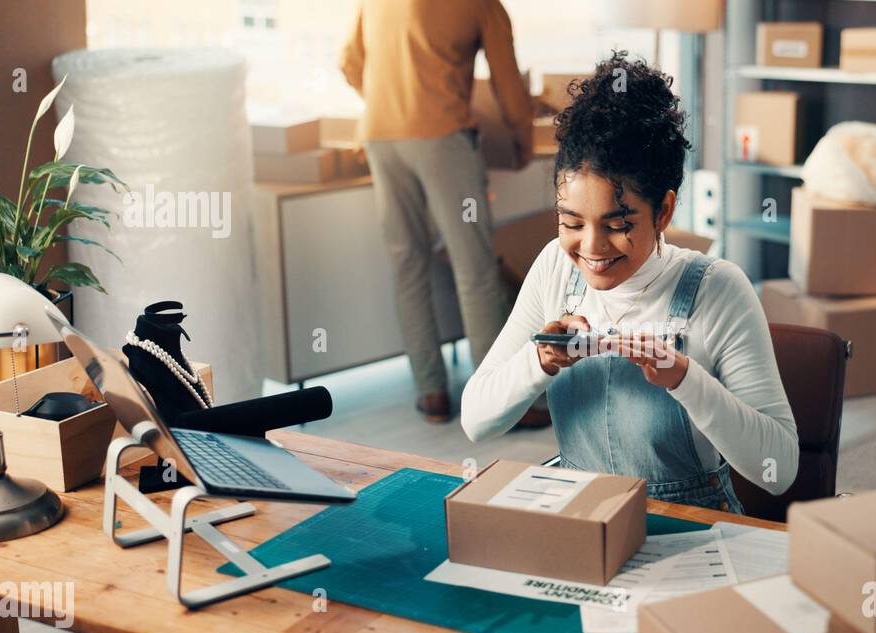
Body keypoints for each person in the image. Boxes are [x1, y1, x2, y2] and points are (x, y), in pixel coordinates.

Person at [461, 53, 798, 512]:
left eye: (617, 224)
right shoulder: (555, 268)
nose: (592, 248)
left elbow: (778, 469)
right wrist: (539, 360)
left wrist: (684, 379)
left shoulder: (717, 289)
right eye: (572, 222)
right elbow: (475, 421)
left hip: (690, 527)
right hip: (580, 513)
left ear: (664, 211)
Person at [341, 0, 536, 424]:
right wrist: (523, 135)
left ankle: (431, 393)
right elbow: (507, 81)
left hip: (380, 137)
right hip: (443, 137)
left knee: (408, 264)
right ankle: (496, 404)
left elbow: (350, 62)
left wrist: (392, 102)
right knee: (475, 269)